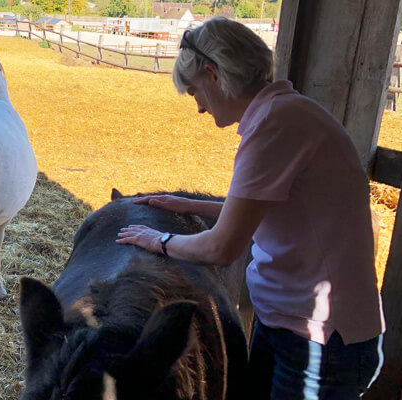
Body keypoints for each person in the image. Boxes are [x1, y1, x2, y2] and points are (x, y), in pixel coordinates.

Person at [115, 17, 385, 400]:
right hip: (287, 323)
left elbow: (219, 248)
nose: (199, 108)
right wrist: (186, 205)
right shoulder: (285, 114)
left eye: (194, 92)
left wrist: (157, 239)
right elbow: (273, 208)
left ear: (213, 73)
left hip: (321, 339)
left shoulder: (276, 124)